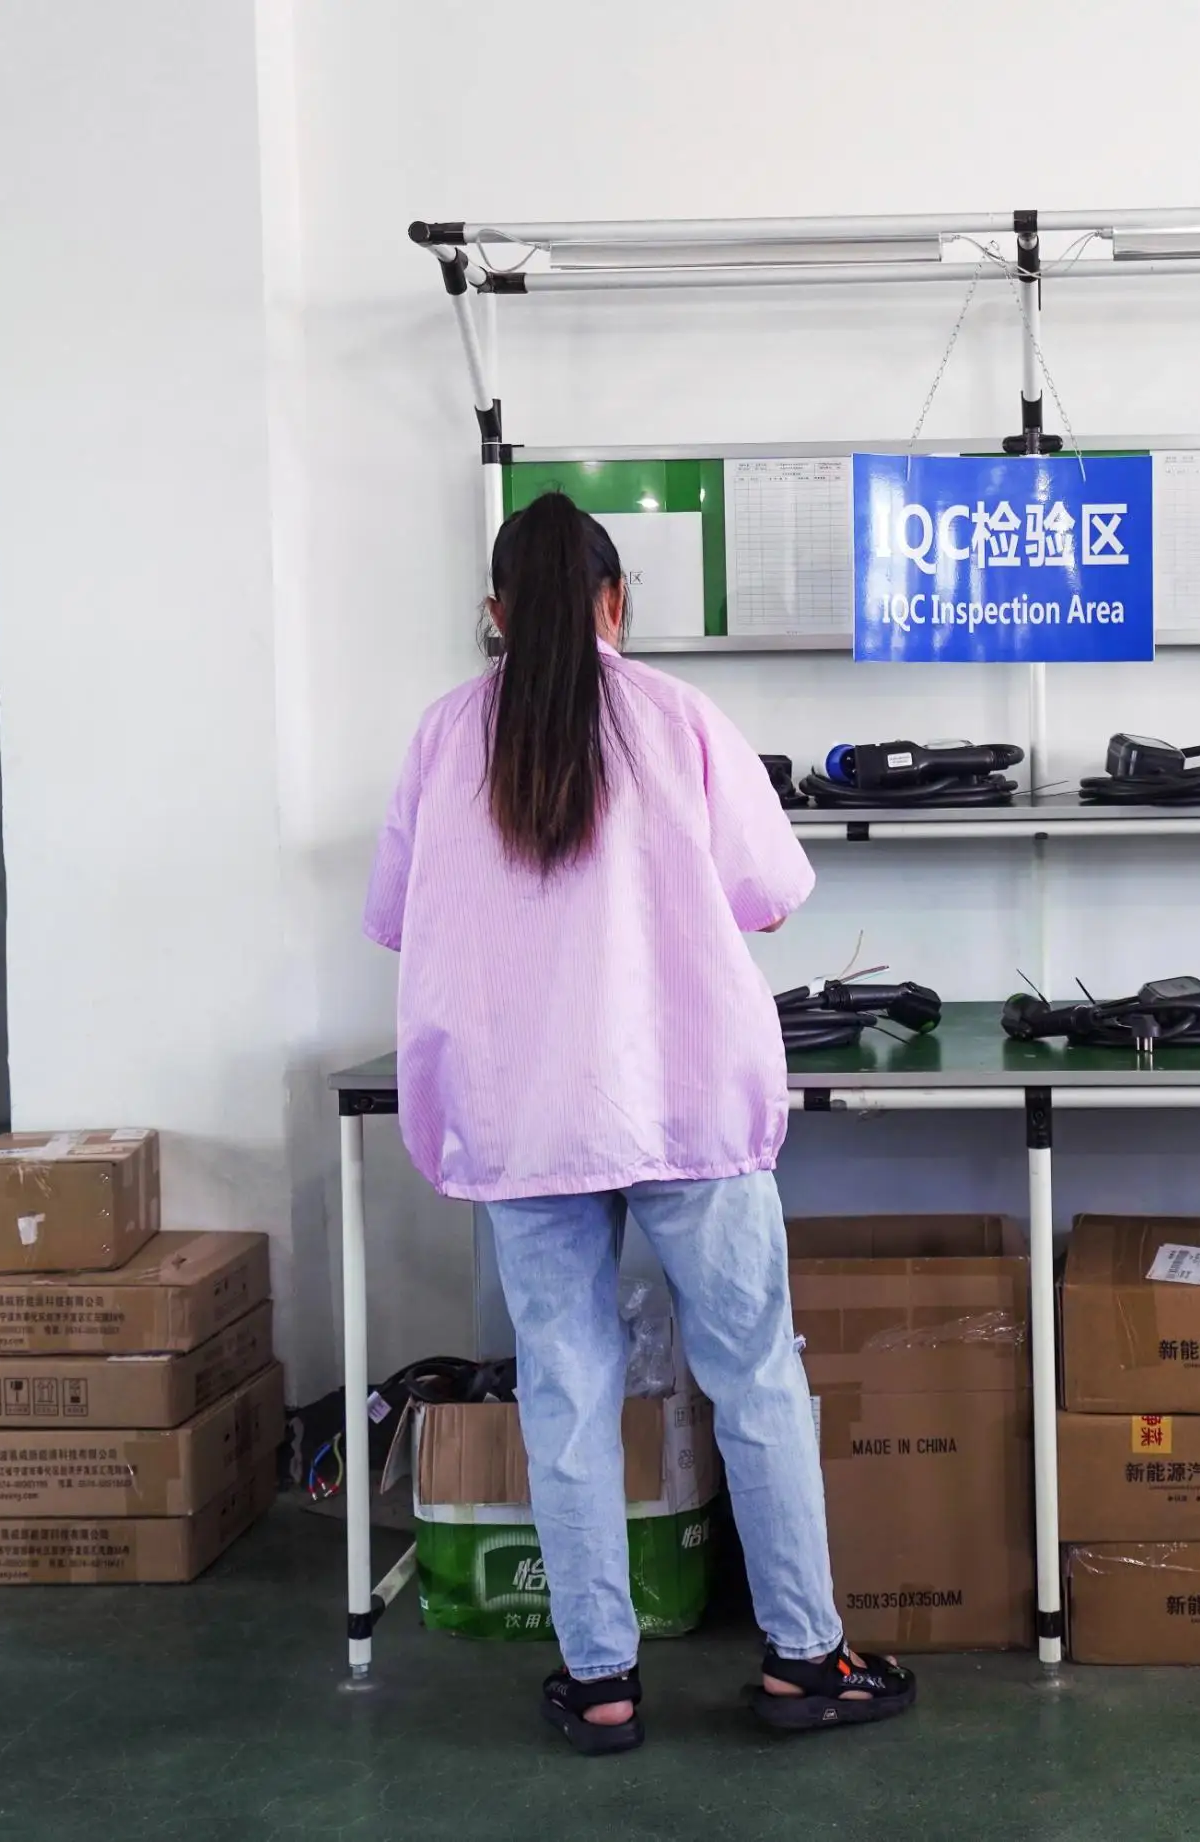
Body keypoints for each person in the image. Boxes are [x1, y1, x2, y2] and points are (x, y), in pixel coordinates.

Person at [364, 492, 914, 1755]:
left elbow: (399, 919)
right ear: (616, 602)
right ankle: (805, 1658)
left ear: (496, 613)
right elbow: (771, 896)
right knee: (755, 1378)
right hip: (687, 1105)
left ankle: (601, 1681)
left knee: (565, 1393)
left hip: (526, 1124)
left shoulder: (444, 737)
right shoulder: (681, 720)